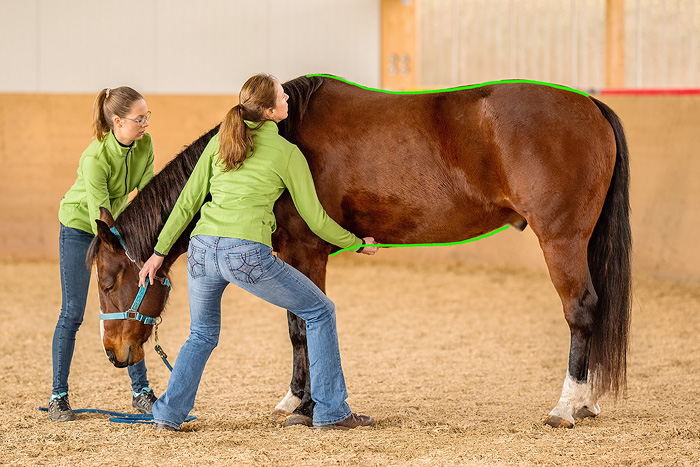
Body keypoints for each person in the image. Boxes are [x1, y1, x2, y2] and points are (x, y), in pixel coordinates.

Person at [138, 73, 378, 431]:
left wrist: (159, 253)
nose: (287, 101)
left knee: (201, 334)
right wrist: (357, 242)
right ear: (268, 111)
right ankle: (331, 412)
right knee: (320, 311)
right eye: (283, 97)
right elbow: (315, 218)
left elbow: (187, 204)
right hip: (245, 254)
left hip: (202, 251)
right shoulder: (286, 153)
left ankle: (168, 415)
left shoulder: (220, 142)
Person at [50, 86, 158, 421]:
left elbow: (149, 194)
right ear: (116, 121)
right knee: (72, 312)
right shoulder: (95, 157)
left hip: (117, 229)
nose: (145, 124)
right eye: (138, 119)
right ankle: (58, 396)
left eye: (146, 117)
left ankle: (140, 392)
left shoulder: (144, 145)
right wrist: (124, 243)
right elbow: (102, 214)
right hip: (83, 228)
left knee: (131, 308)